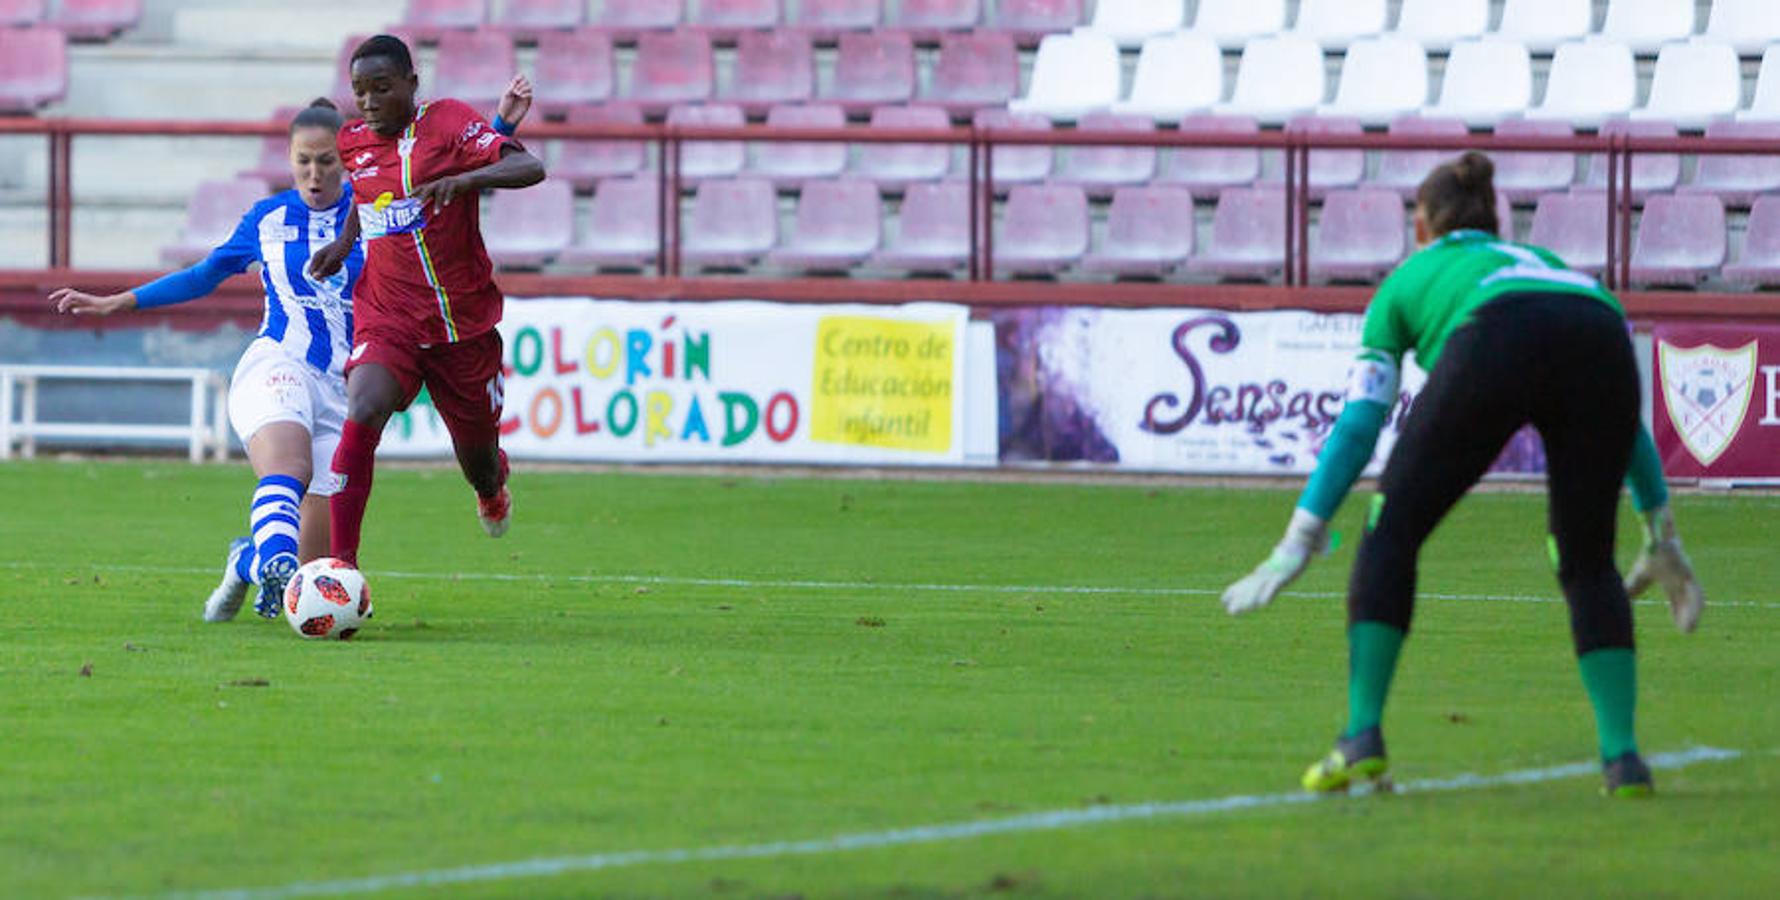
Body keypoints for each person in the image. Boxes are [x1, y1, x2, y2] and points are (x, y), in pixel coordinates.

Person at [1220, 152, 1706, 797]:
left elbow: (1363, 422)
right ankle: (1624, 761)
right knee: (1588, 562)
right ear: (1492, 224)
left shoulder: (1408, 279)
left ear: (1422, 225)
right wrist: (1660, 529)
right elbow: (1631, 433)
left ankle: (1360, 737)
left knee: (1390, 533)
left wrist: (1300, 534)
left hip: (1495, 333)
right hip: (1601, 330)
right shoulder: (1552, 267)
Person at [49, 77, 534, 621]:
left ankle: (251, 560)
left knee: (312, 568)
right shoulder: (268, 219)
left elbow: (447, 182)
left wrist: (502, 128)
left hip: (340, 385)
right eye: (303, 161)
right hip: (279, 363)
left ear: (347, 158)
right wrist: (119, 303)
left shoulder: (379, 199)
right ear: (289, 158)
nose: (314, 173)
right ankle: (275, 558)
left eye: (327, 161)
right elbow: (205, 274)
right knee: (289, 466)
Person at [308, 35, 545, 568]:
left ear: (412, 84)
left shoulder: (447, 123)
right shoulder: (352, 143)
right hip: (388, 315)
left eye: (382, 89)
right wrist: (344, 243)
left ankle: (490, 486)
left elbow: (529, 168)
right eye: (359, 91)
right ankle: (341, 567)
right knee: (364, 405)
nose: (368, 102)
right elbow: (368, 198)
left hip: (463, 329)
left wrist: (465, 181)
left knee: (479, 462)